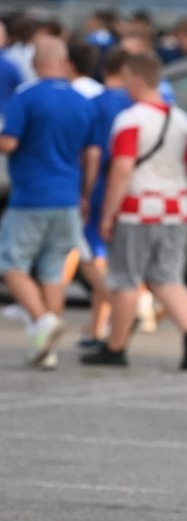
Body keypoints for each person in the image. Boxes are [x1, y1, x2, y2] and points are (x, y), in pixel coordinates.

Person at [80, 53, 187, 369]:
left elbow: (122, 169)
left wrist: (108, 214)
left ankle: (116, 347)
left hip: (137, 209)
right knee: (167, 277)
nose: (124, 86)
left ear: (136, 79)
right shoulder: (181, 120)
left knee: (124, 279)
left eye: (126, 80)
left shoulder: (130, 119)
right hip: (176, 207)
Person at [0, 35, 99, 368]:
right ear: (63, 62)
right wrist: (86, 194)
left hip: (30, 196)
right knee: (52, 271)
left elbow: (10, 143)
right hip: (68, 196)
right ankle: (46, 347)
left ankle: (42, 320)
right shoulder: (82, 100)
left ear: (34, 63)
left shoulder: (25, 97)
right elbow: (91, 153)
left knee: (11, 264)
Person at [74, 47, 134, 350]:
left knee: (88, 255)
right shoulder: (132, 103)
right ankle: (98, 328)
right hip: (128, 185)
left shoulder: (95, 103)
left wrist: (86, 190)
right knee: (108, 257)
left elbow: (93, 152)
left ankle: (112, 307)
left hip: (101, 184)